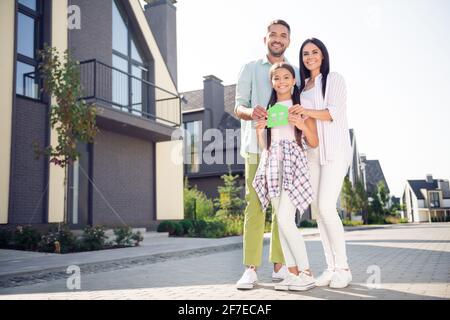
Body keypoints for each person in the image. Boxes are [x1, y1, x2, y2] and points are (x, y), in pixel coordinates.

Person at [234, 19, 299, 290]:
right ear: (265, 40)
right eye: (273, 35)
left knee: (281, 206)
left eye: (283, 36)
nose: (277, 39)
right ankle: (250, 269)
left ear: (288, 41)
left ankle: (278, 265)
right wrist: (253, 113)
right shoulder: (250, 68)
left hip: (284, 148)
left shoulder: (294, 72)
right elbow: (239, 106)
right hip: (254, 148)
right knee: (255, 205)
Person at [290, 38, 353, 289]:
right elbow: (302, 123)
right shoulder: (302, 87)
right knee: (318, 211)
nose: (310, 57)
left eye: (315, 52)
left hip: (335, 150)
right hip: (312, 152)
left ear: (323, 56)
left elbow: (332, 113)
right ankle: (330, 267)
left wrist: (304, 112)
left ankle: (344, 268)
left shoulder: (334, 79)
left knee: (327, 207)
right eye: (305, 53)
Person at [253, 62, 318, 291]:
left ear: (293, 81)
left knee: (286, 218)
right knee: (281, 222)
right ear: (272, 82)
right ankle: (292, 273)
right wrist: (260, 132)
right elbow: (266, 147)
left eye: (286, 77)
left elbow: (313, 141)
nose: (281, 81)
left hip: (294, 163)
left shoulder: (301, 106)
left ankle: (306, 272)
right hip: (273, 164)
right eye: (276, 78)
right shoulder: (270, 110)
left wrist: (301, 123)